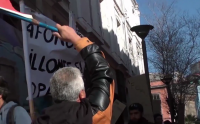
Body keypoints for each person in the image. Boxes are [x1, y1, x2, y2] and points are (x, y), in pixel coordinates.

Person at [32, 24, 114, 124]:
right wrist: (76, 39)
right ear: (82, 94)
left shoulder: (38, 121)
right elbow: (103, 73)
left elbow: (102, 72)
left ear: (54, 94)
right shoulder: (95, 115)